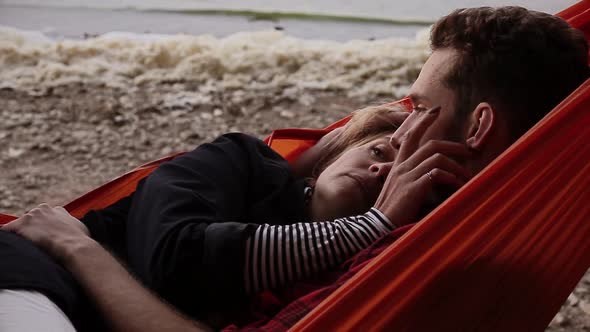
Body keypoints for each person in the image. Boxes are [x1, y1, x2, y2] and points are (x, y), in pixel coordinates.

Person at [2, 5, 589, 332]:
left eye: (419, 107)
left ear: (480, 127)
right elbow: (176, 255)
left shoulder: (420, 248)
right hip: (33, 281)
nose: (401, 128)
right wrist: (371, 222)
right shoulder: (242, 161)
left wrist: (375, 223)